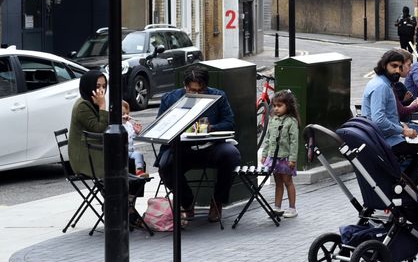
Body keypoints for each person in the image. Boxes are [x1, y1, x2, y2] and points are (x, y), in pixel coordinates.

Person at [156, 67, 242, 223]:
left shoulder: (218, 96)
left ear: (206, 87)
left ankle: (217, 201)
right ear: (185, 86)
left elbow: (229, 122)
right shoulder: (170, 98)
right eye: (192, 90)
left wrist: (211, 128)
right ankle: (186, 201)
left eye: (200, 91)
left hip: (211, 147)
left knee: (232, 155)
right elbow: (160, 125)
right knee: (165, 165)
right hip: (181, 149)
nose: (196, 94)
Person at [68, 70, 146, 228]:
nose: (101, 91)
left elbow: (108, 126)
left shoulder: (93, 103)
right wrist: (103, 106)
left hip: (97, 151)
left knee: (136, 164)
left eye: (104, 86)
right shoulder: (83, 105)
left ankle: (127, 205)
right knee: (125, 167)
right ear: (88, 86)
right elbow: (99, 128)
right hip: (86, 157)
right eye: (97, 86)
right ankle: (122, 207)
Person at [362, 49, 418, 176]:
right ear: (384, 65)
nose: (397, 70)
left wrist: (401, 125)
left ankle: (402, 180)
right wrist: (403, 131)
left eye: (400, 67)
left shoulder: (383, 83)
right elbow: (379, 120)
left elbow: (388, 115)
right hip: (385, 141)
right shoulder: (381, 86)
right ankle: (403, 184)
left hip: (385, 137)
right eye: (394, 66)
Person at [262, 89, 300, 218]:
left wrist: (293, 159)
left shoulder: (291, 122)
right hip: (273, 157)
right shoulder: (273, 120)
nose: (276, 108)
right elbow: (268, 138)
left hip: (285, 158)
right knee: (277, 182)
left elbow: (294, 142)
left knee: (288, 182)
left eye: (279, 105)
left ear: (288, 106)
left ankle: (292, 208)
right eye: (274, 106)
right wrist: (265, 154)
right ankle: (277, 207)